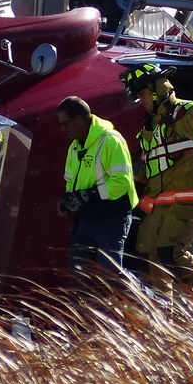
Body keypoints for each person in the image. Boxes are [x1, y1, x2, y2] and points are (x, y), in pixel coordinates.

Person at [119, 62, 193, 305]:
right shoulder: (149, 128)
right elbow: (146, 171)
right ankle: (168, 320)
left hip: (186, 203)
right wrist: (132, 201)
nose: (141, 101)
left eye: (142, 94)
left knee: (171, 255)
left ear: (156, 90)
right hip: (157, 208)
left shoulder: (190, 114)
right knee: (151, 261)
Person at [57, 96, 138, 276]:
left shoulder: (111, 140)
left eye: (65, 124)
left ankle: (150, 298)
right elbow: (71, 181)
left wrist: (90, 194)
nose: (63, 129)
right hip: (86, 218)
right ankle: (83, 305)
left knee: (110, 278)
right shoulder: (74, 147)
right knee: (79, 276)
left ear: (79, 119)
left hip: (111, 219)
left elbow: (122, 181)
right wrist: (68, 199)